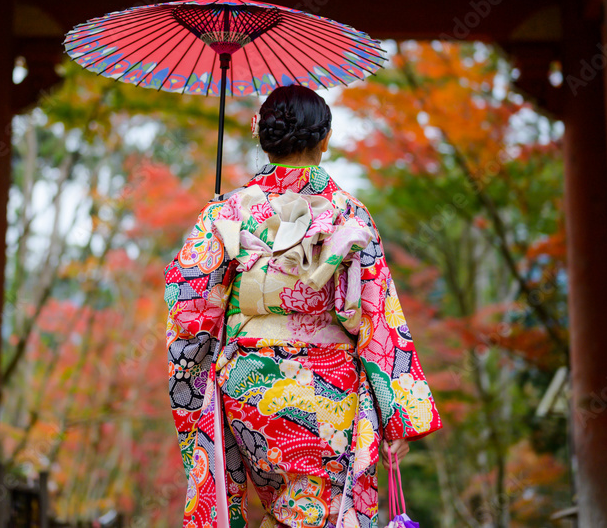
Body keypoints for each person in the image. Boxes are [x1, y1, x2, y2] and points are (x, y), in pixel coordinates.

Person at [165, 85, 443, 528]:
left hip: (247, 387)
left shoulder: (226, 212)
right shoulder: (348, 214)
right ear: (326, 138)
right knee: (317, 513)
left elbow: (188, 309)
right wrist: (397, 418)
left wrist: (199, 383)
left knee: (288, 512)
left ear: (261, 135)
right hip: (327, 388)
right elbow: (377, 316)